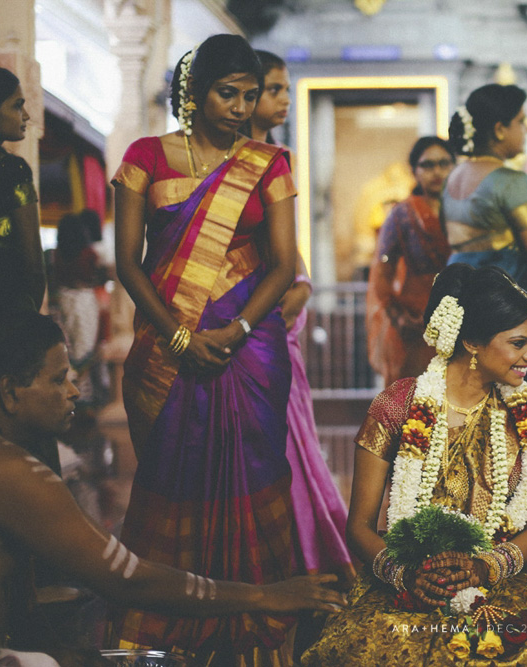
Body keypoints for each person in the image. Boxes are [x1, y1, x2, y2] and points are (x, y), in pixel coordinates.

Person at [0, 311, 346, 667]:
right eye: (57, 380)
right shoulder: (8, 469)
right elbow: (126, 579)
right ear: (9, 391)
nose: (74, 391)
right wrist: (264, 595)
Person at [109, 35, 305, 665]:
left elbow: (280, 266)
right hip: (171, 343)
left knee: (254, 464)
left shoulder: (269, 162)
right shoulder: (145, 157)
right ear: (193, 93)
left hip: (247, 348)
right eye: (229, 93)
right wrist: (177, 336)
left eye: (251, 95)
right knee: (172, 468)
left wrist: (236, 331)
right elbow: (129, 264)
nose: (241, 107)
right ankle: (167, 614)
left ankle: (261, 614)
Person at [303, 263, 527, 666]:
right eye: (518, 343)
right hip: (406, 579)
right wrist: (406, 575)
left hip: (498, 581)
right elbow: (359, 527)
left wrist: (482, 568)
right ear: (473, 342)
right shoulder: (397, 406)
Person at [245, 49, 354, 584]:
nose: (283, 100)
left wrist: (303, 282)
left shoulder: (275, 159)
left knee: (294, 441)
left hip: (272, 324)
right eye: (272, 89)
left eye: (285, 89)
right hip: (239, 323)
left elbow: (289, 252)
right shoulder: (229, 164)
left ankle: (305, 551)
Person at [441, 83, 527, 392]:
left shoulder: (452, 179)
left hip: (463, 304)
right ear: (500, 129)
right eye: (521, 121)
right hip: (509, 308)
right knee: (522, 405)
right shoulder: (512, 182)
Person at [366, 136, 455, 384]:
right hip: (416, 322)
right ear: (414, 171)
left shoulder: (463, 210)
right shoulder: (401, 215)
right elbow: (383, 270)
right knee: (417, 401)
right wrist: (399, 317)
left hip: (462, 318)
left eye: (444, 163)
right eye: (427, 165)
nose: (436, 171)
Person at [0, 64, 45, 315]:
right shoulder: (12, 171)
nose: (26, 115)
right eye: (17, 105)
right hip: (3, 320)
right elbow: (34, 266)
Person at [51, 212, 108, 409]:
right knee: (86, 351)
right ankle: (86, 399)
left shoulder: (56, 254)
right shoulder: (89, 254)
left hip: (64, 300)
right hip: (84, 301)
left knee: (70, 348)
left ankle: (72, 397)